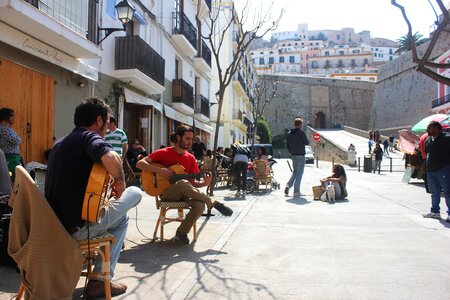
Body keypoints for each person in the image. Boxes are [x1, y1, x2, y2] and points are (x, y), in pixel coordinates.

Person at [45, 97, 142, 298]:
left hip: (55, 227)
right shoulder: (89, 137)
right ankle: (100, 281)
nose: (107, 128)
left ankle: (100, 278)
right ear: (99, 121)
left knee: (120, 219)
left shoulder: (60, 142)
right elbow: (111, 157)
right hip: (78, 230)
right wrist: (120, 182)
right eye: (107, 123)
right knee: (136, 193)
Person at [136, 125, 233, 244]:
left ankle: (181, 234)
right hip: (167, 194)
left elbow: (192, 184)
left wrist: (204, 183)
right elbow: (140, 164)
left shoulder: (190, 158)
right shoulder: (164, 153)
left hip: (185, 194)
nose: (190, 142)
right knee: (182, 183)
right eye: (187, 138)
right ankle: (212, 202)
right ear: (178, 138)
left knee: (200, 205)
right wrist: (159, 170)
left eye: (191, 139)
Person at [422, 121, 450, 222]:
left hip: (443, 169)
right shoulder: (428, 140)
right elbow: (427, 153)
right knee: (434, 192)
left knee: (447, 192)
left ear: (437, 128)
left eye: (430, 128)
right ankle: (435, 212)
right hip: (430, 170)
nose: (428, 130)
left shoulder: (446, 138)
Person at [285, 118, 309, 197]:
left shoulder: (289, 133)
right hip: (301, 156)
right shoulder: (301, 133)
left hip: (293, 155)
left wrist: (291, 153)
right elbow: (306, 142)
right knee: (299, 173)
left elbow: (287, 146)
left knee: (295, 172)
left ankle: (288, 185)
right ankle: (296, 191)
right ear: (300, 125)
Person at [0, 108, 22, 177]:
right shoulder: (3, 129)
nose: (13, 118)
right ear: (5, 116)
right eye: (11, 115)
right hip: (9, 159)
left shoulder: (8, 128)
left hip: (13, 158)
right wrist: (18, 139)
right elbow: (17, 140)